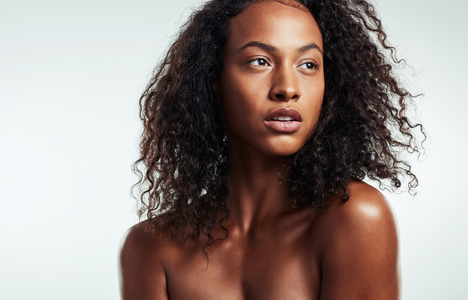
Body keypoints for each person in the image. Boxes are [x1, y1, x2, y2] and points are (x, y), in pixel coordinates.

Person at [119, 0, 423, 299]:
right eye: (260, 61)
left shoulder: (354, 218)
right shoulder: (151, 248)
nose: (288, 88)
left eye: (308, 65)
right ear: (213, 79)